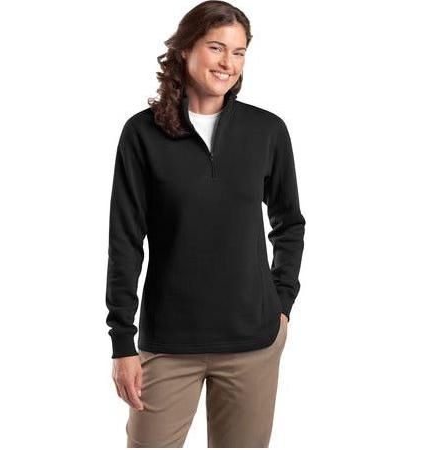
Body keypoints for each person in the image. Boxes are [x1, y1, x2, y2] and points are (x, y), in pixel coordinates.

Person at [105, 1, 306, 447]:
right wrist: (122, 340)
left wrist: (282, 302)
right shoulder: (142, 134)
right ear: (185, 49)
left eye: (238, 52)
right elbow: (125, 241)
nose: (227, 63)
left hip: (254, 341)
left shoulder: (267, 131)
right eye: (216, 47)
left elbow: (289, 223)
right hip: (168, 342)